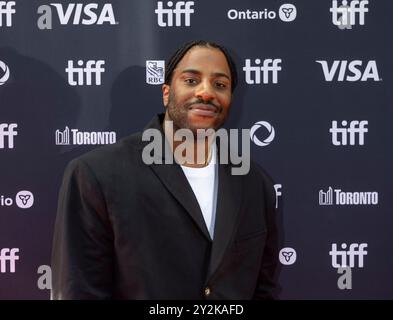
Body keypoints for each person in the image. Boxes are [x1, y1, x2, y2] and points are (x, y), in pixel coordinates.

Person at [51, 40, 279, 300]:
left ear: (230, 99)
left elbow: (263, 289)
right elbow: (79, 290)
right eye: (191, 80)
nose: (206, 92)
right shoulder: (95, 173)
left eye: (220, 85)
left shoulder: (254, 184)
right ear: (166, 93)